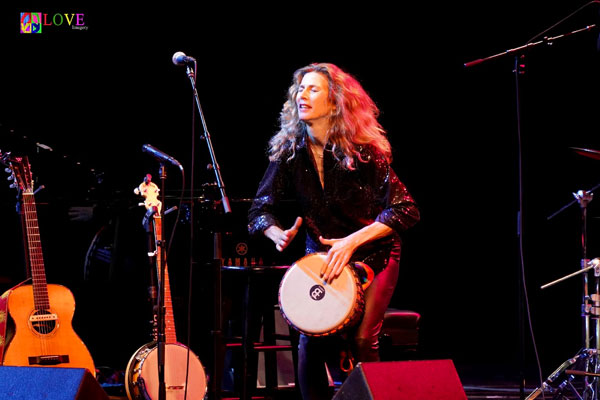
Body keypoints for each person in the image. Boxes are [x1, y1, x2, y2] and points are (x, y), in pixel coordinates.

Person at [248, 62, 420, 400]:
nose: (303, 95)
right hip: (323, 259)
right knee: (310, 338)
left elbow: (406, 209)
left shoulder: (364, 152)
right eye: (301, 88)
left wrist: (353, 242)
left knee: (362, 339)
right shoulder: (290, 153)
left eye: (314, 89)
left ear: (335, 102)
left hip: (375, 254)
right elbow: (258, 211)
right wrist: (275, 233)